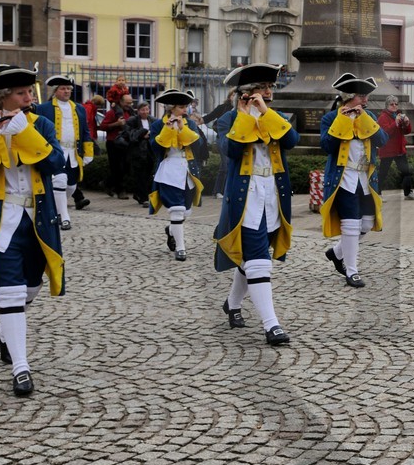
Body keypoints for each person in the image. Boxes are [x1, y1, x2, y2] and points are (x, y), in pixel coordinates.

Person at [0, 64, 67, 398]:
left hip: (36, 220)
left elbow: (55, 164)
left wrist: (25, 132)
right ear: (4, 97)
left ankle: (3, 332)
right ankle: (21, 368)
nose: (29, 98)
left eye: (29, 92)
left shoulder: (42, 124)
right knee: (10, 293)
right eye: (22, 93)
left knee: (31, 288)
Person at [213, 63, 298, 346]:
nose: (269, 92)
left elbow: (291, 141)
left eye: (271, 88)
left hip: (272, 194)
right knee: (259, 259)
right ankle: (271, 325)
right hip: (245, 196)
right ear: (247, 93)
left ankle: (232, 303)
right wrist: (246, 115)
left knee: (251, 257)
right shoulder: (227, 120)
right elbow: (232, 150)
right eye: (264, 88)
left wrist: (264, 113)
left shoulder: (276, 116)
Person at [320, 75, 389, 288]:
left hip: (366, 178)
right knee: (350, 225)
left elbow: (382, 140)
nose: (366, 100)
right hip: (344, 178)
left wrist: (363, 118)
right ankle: (352, 271)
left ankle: (337, 252)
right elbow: (327, 146)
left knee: (367, 223)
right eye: (362, 96)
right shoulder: (330, 118)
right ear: (350, 97)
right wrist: (343, 119)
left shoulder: (369, 116)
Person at [148, 90, 207, 261]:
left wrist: (182, 128)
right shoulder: (158, 125)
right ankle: (181, 249)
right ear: (171, 108)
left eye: (186, 107)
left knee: (186, 212)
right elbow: (155, 148)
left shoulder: (190, 124)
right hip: (168, 170)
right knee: (176, 210)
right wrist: (168, 129)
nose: (185, 111)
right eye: (181, 107)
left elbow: (199, 146)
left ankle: (171, 229)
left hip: (188, 170)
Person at [35, 76, 94, 230]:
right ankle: (65, 217)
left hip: (73, 153)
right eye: (63, 88)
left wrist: (88, 152)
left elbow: (85, 131)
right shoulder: (44, 109)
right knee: (60, 181)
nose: (66, 91)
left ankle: (55, 209)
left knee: (71, 186)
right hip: (55, 152)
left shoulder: (79, 108)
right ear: (55, 91)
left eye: (68, 88)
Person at [375, 96, 414, 202]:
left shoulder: (398, 115)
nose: (394, 106)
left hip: (399, 149)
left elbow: (406, 131)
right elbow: (386, 132)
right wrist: (396, 123)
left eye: (396, 104)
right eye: (392, 104)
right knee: (383, 173)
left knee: (406, 172)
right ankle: (377, 194)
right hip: (388, 150)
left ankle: (408, 193)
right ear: (387, 106)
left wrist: (407, 123)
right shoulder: (383, 117)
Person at [122, 101, 156, 205]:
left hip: (149, 151)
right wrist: (141, 135)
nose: (145, 112)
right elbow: (128, 134)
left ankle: (139, 193)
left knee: (148, 174)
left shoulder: (153, 120)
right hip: (137, 151)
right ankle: (143, 197)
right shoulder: (133, 120)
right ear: (138, 111)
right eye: (142, 110)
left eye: (146, 109)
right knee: (140, 174)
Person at [98, 94, 130, 198]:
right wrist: (117, 124)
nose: (129, 105)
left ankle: (106, 183)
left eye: (131, 103)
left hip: (125, 143)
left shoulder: (129, 113)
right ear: (121, 102)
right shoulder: (112, 113)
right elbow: (102, 126)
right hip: (113, 143)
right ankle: (120, 191)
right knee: (117, 167)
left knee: (125, 167)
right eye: (127, 103)